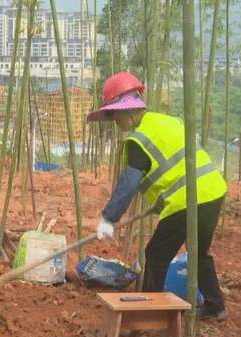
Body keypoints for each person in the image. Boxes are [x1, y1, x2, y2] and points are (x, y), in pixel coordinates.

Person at [86, 72, 228, 321]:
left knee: (155, 255)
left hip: (187, 200)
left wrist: (109, 218)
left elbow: (129, 183)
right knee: (198, 252)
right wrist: (161, 201)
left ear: (127, 110)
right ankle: (216, 306)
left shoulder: (138, 140)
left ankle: (146, 313)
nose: (114, 122)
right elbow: (177, 165)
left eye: (114, 114)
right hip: (214, 191)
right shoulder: (168, 121)